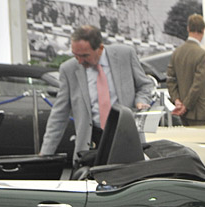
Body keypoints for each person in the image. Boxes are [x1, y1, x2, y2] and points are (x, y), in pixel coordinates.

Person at [39, 25, 154, 156]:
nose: (80, 61)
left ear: (100, 48)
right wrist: (45, 154)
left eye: (84, 56)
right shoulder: (68, 69)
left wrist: (141, 101)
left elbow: (145, 85)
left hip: (126, 137)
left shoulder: (125, 55)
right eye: (76, 55)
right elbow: (58, 115)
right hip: (92, 142)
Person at [166, 14, 205, 126]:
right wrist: (186, 106)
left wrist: (177, 100)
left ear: (188, 28)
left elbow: (170, 79)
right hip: (198, 110)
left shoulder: (176, 52)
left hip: (181, 110)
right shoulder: (202, 54)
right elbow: (198, 83)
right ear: (203, 30)